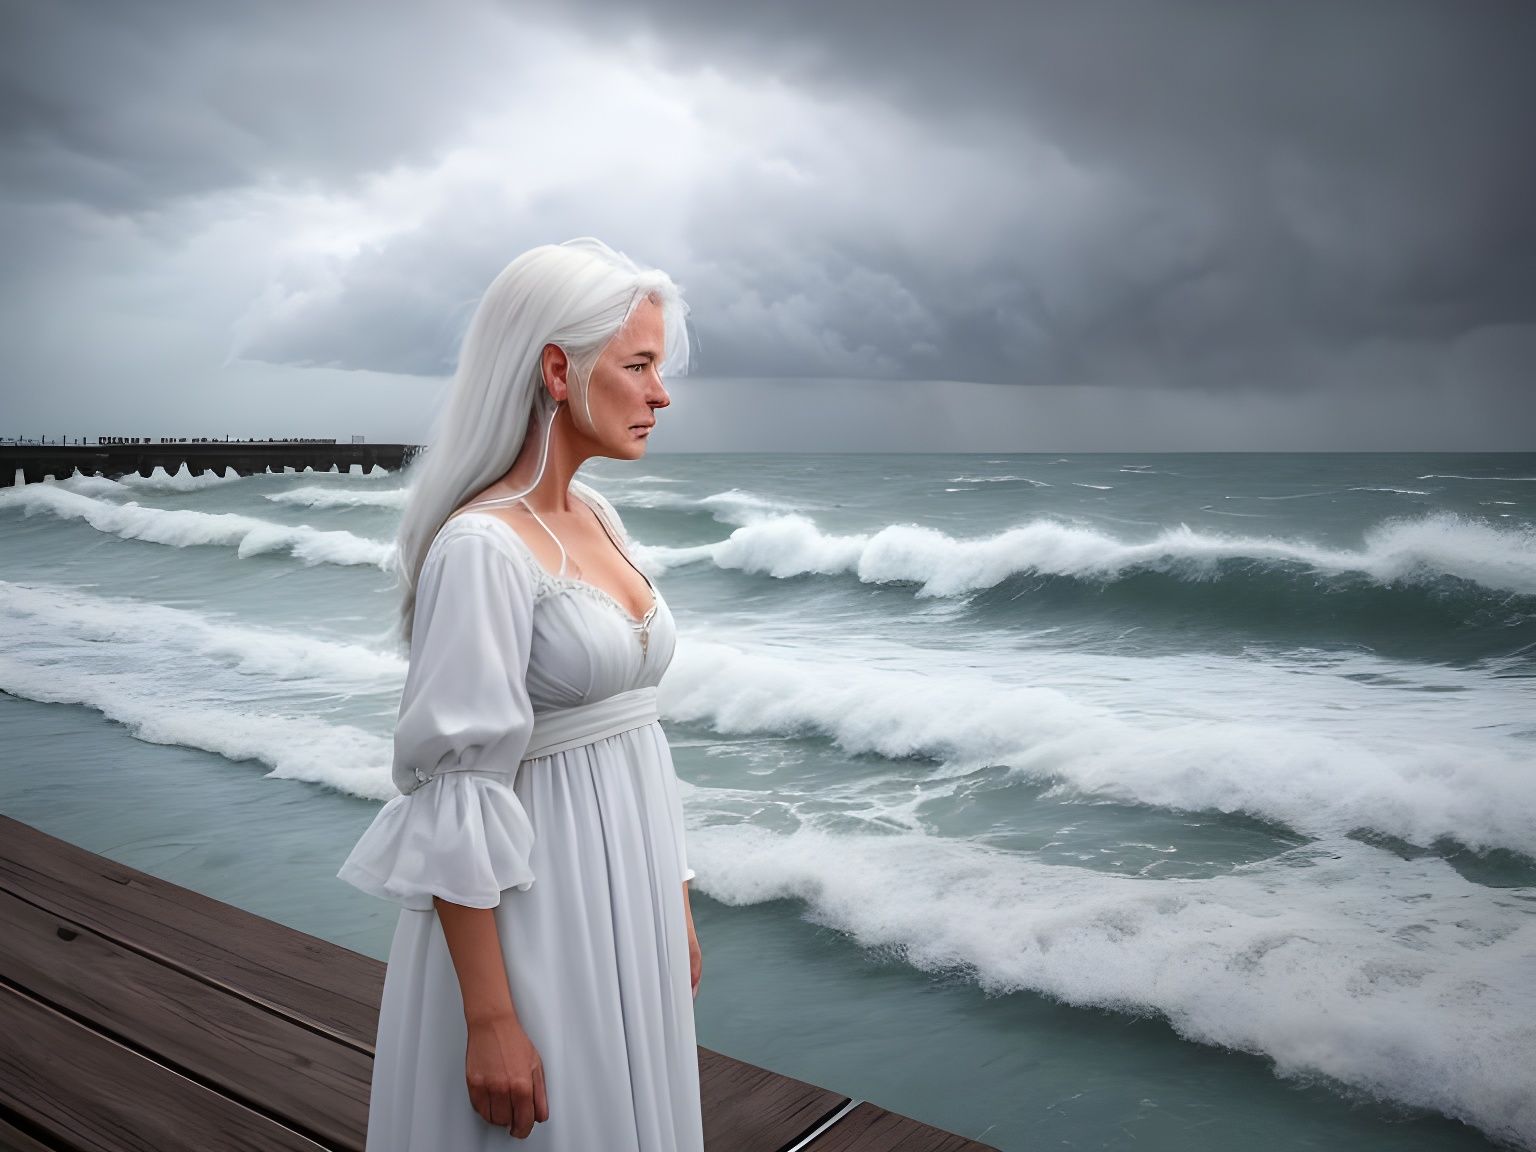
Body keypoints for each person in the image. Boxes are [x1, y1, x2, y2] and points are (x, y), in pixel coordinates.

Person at [337, 238, 703, 1149]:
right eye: (640, 366)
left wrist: (675, 899)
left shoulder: (596, 517)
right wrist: (491, 1018)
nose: (662, 394)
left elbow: (634, 733)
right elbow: (460, 788)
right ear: (555, 369)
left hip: (630, 897)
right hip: (542, 911)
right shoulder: (484, 548)